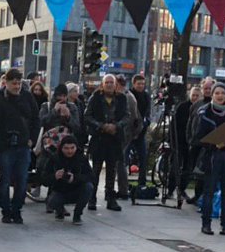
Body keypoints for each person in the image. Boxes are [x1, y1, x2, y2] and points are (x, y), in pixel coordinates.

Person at [0, 68, 36, 225]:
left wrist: (32, 139)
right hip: (6, 147)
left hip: (23, 145)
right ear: (6, 83)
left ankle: (17, 210)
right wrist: (0, 145)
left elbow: (36, 119)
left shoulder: (27, 97)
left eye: (19, 83)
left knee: (22, 180)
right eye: (14, 83)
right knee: (5, 180)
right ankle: (6, 210)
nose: (17, 87)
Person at [84, 74, 132, 212]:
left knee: (112, 170)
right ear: (103, 84)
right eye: (107, 82)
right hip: (99, 138)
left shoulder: (122, 98)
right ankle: (91, 198)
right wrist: (101, 126)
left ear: (115, 85)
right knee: (95, 170)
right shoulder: (95, 98)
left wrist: (116, 126)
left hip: (114, 138)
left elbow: (127, 116)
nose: (109, 85)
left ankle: (111, 198)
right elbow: (87, 116)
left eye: (112, 82)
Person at [194, 84, 225, 236]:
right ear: (212, 95)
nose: (220, 96)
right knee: (209, 191)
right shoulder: (205, 112)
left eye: (222, 93)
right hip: (212, 156)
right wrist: (213, 143)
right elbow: (198, 137)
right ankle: (206, 224)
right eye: (217, 93)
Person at [42, 135, 94, 224]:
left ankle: (77, 215)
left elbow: (91, 176)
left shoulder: (81, 158)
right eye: (66, 148)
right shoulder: (55, 158)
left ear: (76, 147)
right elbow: (44, 179)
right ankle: (59, 211)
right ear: (61, 148)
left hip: (77, 190)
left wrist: (75, 178)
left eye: (72, 148)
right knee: (52, 201)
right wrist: (55, 176)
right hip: (60, 191)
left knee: (89, 187)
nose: (69, 151)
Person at [127, 74, 153, 193]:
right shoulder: (129, 95)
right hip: (129, 133)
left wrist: (146, 121)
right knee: (124, 158)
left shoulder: (146, 96)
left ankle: (142, 182)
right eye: (139, 84)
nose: (141, 86)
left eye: (143, 84)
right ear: (134, 84)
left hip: (141, 132)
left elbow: (147, 112)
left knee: (143, 158)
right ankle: (124, 182)